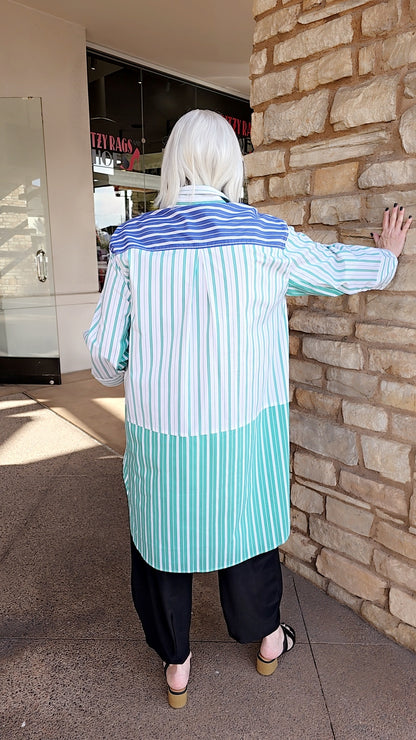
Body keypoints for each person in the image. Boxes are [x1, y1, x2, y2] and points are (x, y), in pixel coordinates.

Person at [84, 109, 412, 709]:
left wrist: (144, 370)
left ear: (176, 163)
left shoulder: (133, 244)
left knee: (162, 539)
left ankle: (177, 666)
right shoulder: (265, 237)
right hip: (244, 426)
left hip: (165, 429)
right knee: (245, 531)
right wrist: (386, 258)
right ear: (233, 164)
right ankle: (266, 641)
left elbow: (105, 353)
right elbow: (333, 268)